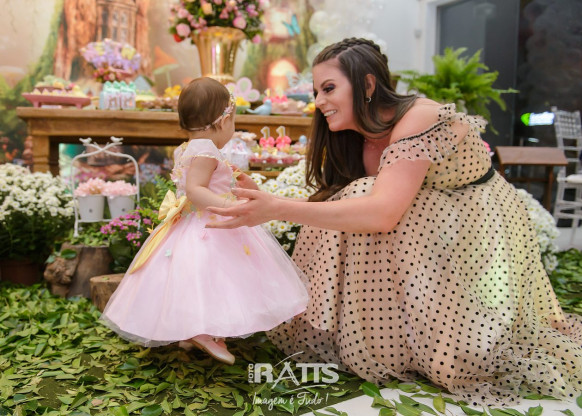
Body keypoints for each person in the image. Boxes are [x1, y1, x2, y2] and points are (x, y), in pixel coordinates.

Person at [206, 38, 582, 404]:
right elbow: (345, 208)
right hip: (425, 220)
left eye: (329, 88)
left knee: (363, 199)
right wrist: (268, 201)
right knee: (348, 203)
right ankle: (381, 339)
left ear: (368, 85)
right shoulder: (356, 136)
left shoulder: (419, 118)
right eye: (316, 92)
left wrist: (278, 208)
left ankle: (429, 339)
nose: (318, 102)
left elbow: (384, 213)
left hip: (478, 221)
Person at [100, 77, 309, 365]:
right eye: (233, 122)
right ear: (223, 121)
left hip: (189, 223)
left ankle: (191, 330)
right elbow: (196, 190)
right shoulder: (206, 150)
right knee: (218, 277)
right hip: (209, 224)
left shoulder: (186, 148)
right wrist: (228, 206)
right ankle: (204, 332)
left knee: (194, 280)